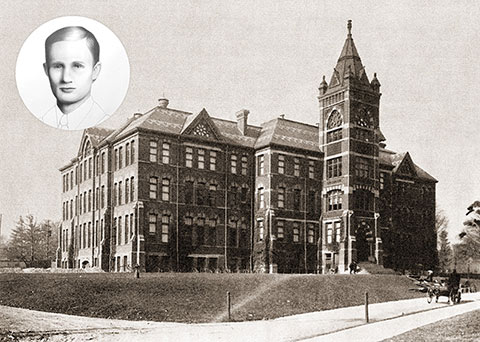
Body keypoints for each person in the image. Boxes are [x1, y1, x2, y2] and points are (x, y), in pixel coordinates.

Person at [41, 26, 108, 130]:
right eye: (58, 66)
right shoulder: (44, 119)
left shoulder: (101, 119)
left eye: (77, 66)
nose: (66, 78)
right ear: (46, 70)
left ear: (95, 71)